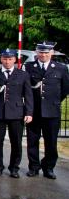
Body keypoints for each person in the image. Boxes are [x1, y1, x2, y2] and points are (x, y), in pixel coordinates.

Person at [23, 41, 69, 179]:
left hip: (52, 111)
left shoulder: (60, 68)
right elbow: (26, 89)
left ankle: (48, 168)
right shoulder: (29, 67)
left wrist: (54, 102)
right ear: (37, 53)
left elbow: (65, 88)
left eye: (46, 52)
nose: (43, 55)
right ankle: (33, 167)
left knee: (51, 142)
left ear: (52, 53)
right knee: (32, 141)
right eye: (41, 52)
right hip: (34, 111)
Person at [0, 48, 32, 178]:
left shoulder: (22, 75)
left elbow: (28, 95)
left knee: (16, 142)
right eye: (5, 59)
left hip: (16, 113)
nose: (7, 61)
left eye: (10, 59)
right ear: (1, 59)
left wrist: (29, 112)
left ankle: (14, 168)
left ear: (15, 60)